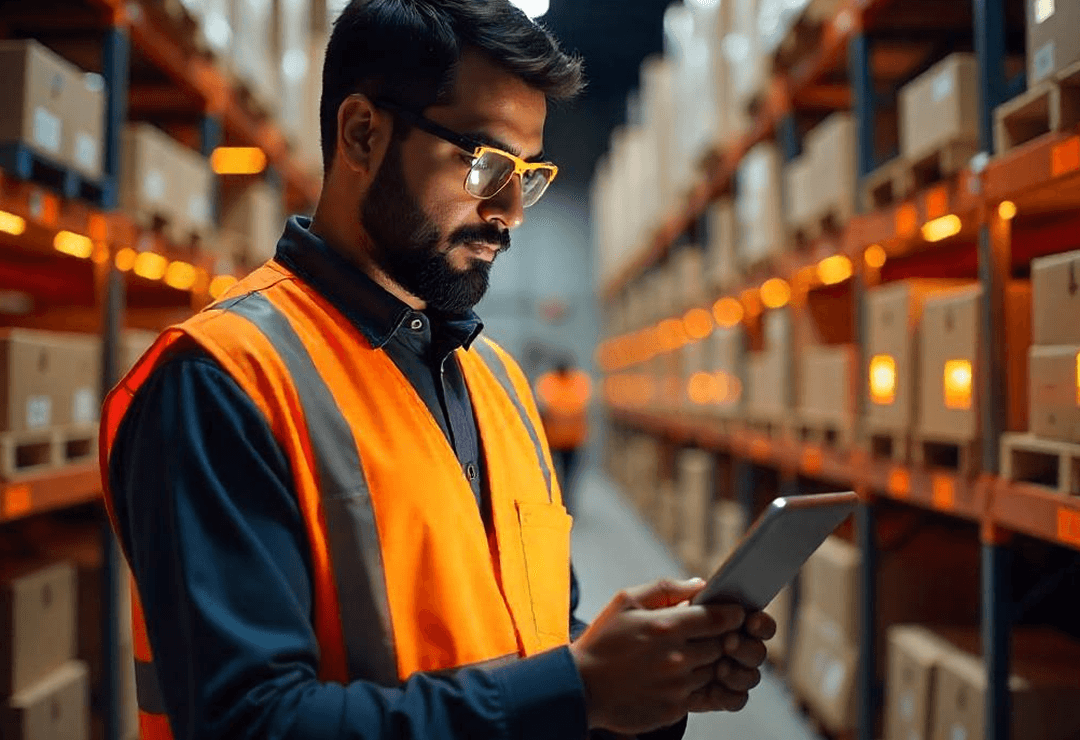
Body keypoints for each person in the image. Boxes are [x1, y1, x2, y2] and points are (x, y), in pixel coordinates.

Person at [98, 2, 776, 739]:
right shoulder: (222, 381)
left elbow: (531, 635)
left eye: (530, 174)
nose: (511, 210)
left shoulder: (502, 385)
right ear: (363, 133)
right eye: (485, 163)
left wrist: (642, 684)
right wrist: (575, 692)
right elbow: (251, 723)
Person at [535, 358, 591, 515]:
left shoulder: (551, 383)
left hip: (567, 439)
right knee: (558, 475)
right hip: (559, 439)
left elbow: (547, 406)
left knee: (565, 476)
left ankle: (562, 504)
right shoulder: (574, 383)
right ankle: (559, 504)